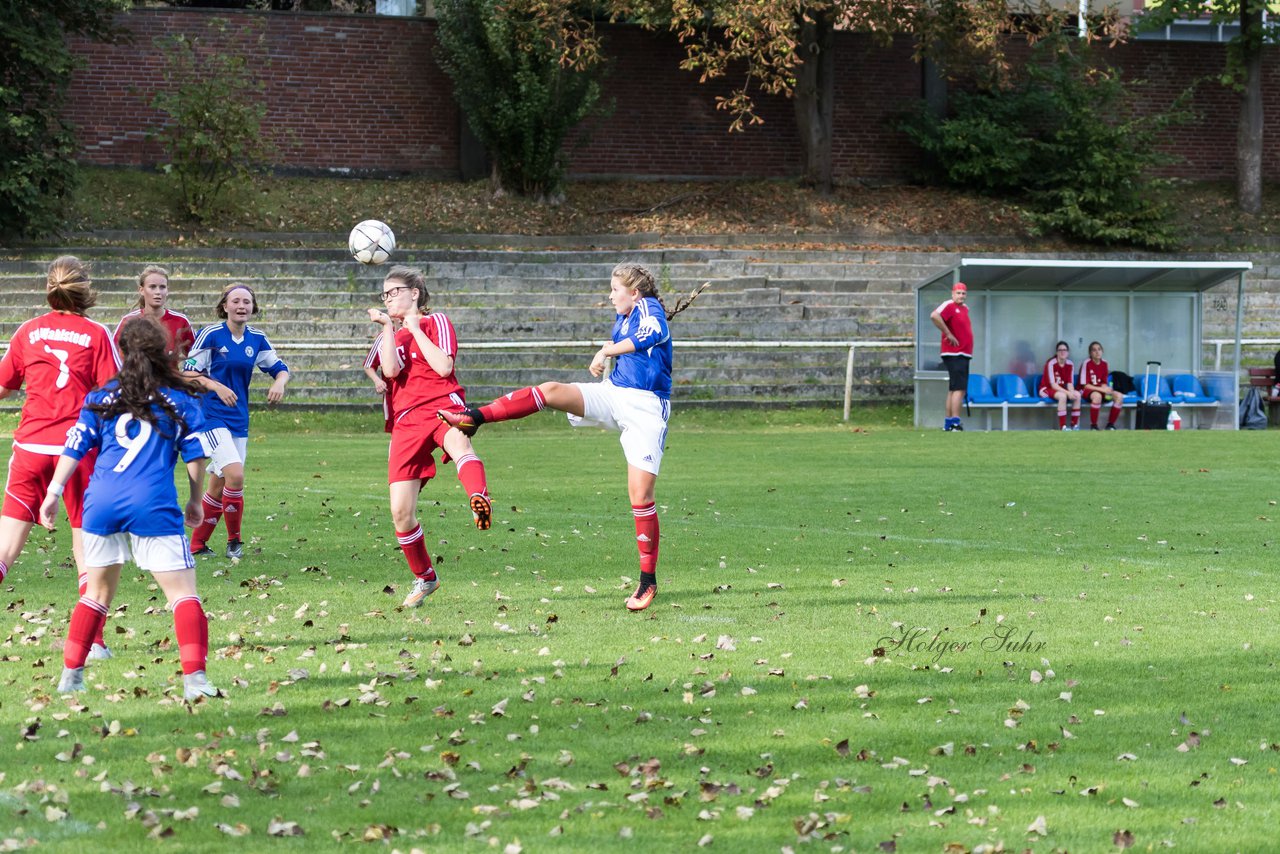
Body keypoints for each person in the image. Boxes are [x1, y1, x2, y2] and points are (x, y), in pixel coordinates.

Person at [438, 262, 706, 612]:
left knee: (640, 497)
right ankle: (474, 417)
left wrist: (606, 351)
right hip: (613, 395)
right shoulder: (625, 316)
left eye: (615, 289)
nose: (610, 295)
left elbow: (653, 334)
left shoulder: (648, 307)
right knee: (550, 390)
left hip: (645, 409)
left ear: (634, 293)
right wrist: (605, 362)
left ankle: (647, 581)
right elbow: (633, 352)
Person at [40, 319, 217, 701]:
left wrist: (53, 492)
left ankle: (70, 677)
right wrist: (194, 498)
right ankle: (196, 681)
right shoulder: (179, 398)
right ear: (163, 351)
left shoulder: (102, 396)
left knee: (97, 593)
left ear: (121, 351)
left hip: (101, 504)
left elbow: (74, 446)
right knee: (183, 594)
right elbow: (197, 456)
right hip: (151, 503)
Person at [0, 256, 121, 660]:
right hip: (79, 453)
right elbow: (115, 393)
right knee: (87, 549)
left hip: (30, 450)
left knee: (4, 551)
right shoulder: (96, 333)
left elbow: (4, 385)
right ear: (86, 289)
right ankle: (94, 644)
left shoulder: (28, 331)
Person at [366, 266, 491, 608]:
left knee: (459, 441)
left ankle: (480, 498)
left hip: (441, 403)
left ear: (415, 293)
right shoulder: (387, 334)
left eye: (394, 292)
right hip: (406, 420)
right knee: (401, 513)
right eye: (385, 294)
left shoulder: (437, 322)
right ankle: (425, 578)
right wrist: (390, 329)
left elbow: (444, 367)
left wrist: (414, 328)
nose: (388, 298)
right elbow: (390, 371)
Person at [182, 283, 290, 559]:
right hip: (211, 416)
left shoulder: (257, 339)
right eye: (236, 301)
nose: (242, 306)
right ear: (225, 306)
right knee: (236, 475)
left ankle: (196, 545)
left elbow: (280, 369)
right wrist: (216, 387)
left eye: (247, 302)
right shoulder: (212, 334)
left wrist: (279, 382)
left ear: (253, 307)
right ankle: (235, 543)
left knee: (219, 484)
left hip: (238, 419)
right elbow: (187, 373)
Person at [114, 265, 195, 360]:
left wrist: (187, 372)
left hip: (168, 375)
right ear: (141, 290)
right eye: (152, 287)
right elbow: (113, 354)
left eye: (162, 287)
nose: (158, 292)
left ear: (167, 290)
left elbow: (196, 356)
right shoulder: (128, 321)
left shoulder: (181, 321)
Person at [929, 282, 971, 432]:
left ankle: (948, 423)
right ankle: (955, 423)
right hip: (955, 353)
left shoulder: (964, 308)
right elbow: (934, 315)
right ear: (953, 294)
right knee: (959, 388)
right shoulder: (949, 305)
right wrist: (948, 333)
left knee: (954, 388)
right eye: (958, 293)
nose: (961, 296)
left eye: (963, 293)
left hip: (963, 353)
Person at [1077, 341, 1124, 430]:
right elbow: (1085, 385)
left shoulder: (1104, 363)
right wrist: (1102, 390)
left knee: (1119, 396)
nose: (1097, 352)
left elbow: (1103, 382)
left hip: (1099, 389)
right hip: (1086, 390)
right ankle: (1094, 426)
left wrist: (1107, 388)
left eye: (1099, 349)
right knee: (1097, 396)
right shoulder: (1086, 363)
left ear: (1102, 351)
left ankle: (1110, 425)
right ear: (1090, 353)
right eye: (1094, 350)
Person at [1039, 341, 1082, 430]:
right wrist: (1067, 393)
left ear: (1068, 352)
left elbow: (1070, 383)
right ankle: (1063, 427)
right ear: (1057, 352)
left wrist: (1071, 392)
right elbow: (1053, 385)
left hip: (1060, 389)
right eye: (1060, 350)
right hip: (1046, 389)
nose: (1062, 352)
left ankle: (1074, 426)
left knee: (1077, 395)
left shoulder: (1070, 364)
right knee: (1063, 396)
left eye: (1065, 350)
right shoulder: (1051, 363)